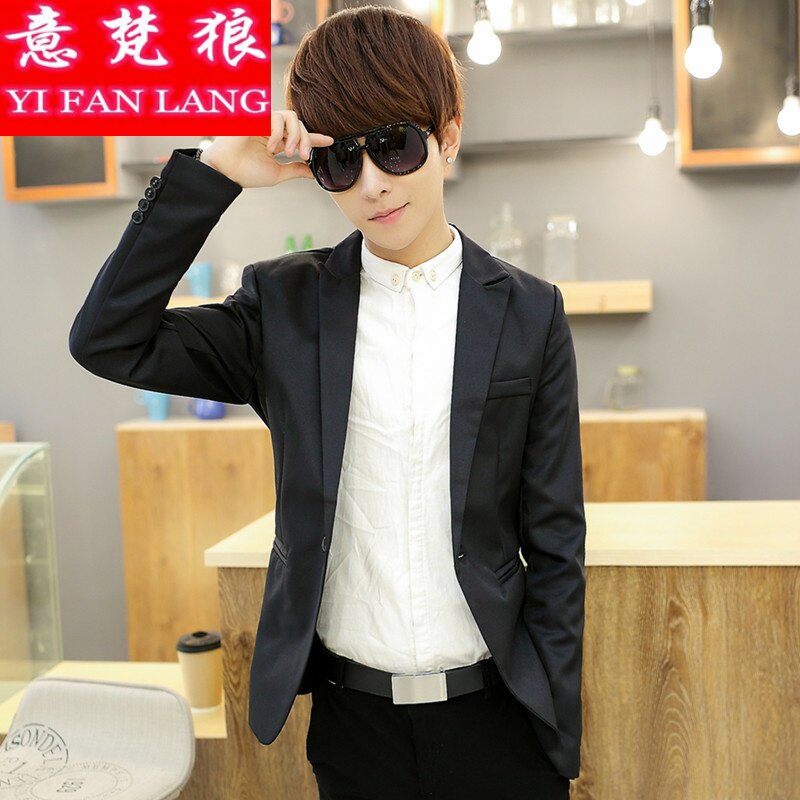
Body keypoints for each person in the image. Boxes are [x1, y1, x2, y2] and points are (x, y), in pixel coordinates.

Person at [69, 6, 586, 799]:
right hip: (353, 727)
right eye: (341, 160)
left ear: (448, 135)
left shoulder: (528, 310)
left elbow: (555, 540)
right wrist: (213, 171)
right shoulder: (285, 307)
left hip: (499, 722)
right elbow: (107, 339)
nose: (372, 183)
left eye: (395, 145)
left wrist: (554, 723)